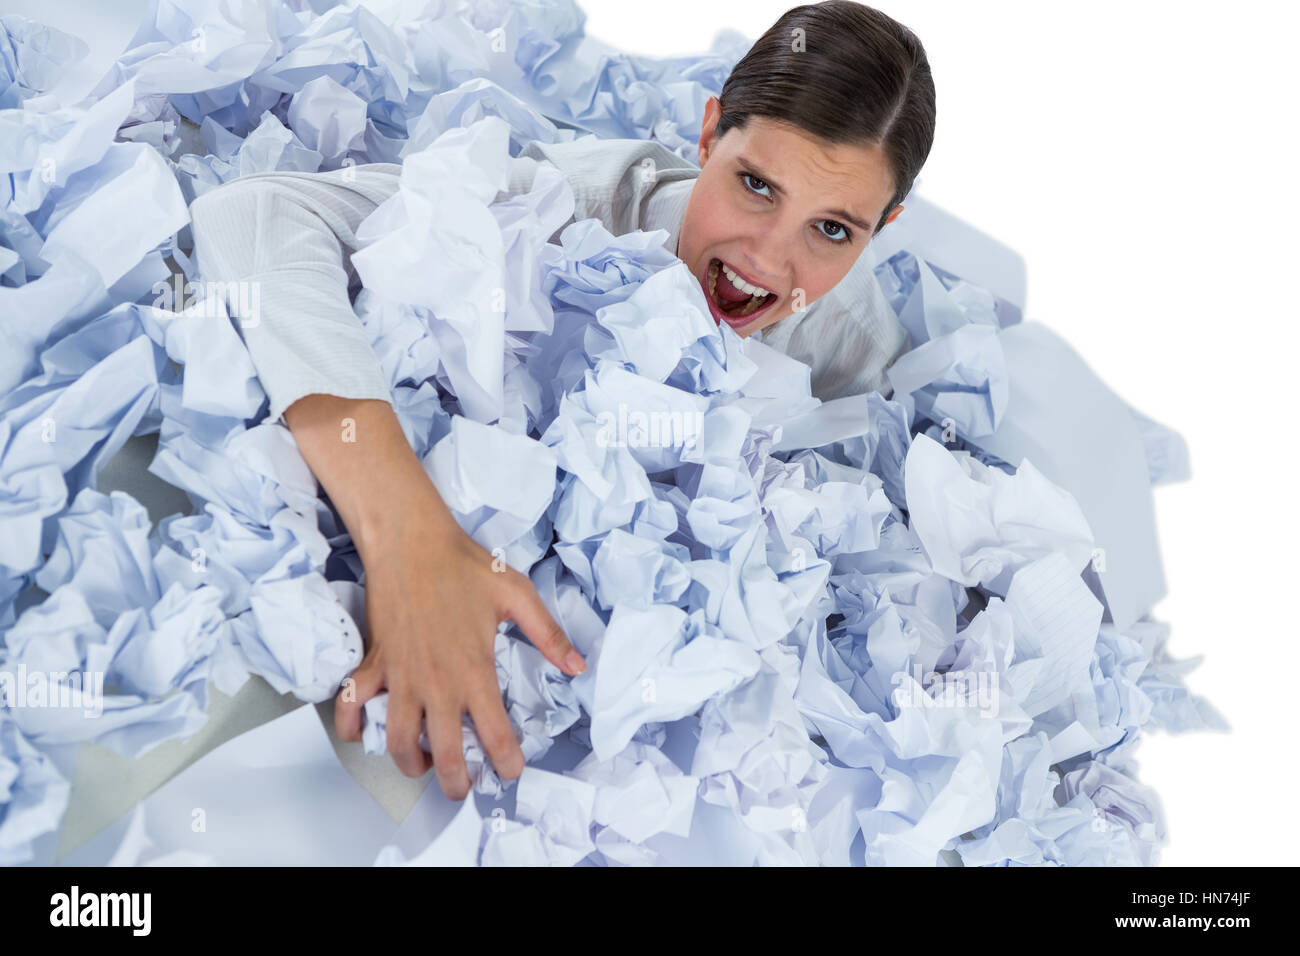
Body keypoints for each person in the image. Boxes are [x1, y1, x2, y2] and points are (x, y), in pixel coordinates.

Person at [187, 0, 935, 802]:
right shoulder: (555, 209)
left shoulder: (850, 339)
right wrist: (412, 544)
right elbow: (251, 215)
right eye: (756, 185)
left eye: (832, 231)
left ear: (881, 227)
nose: (769, 259)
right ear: (710, 132)